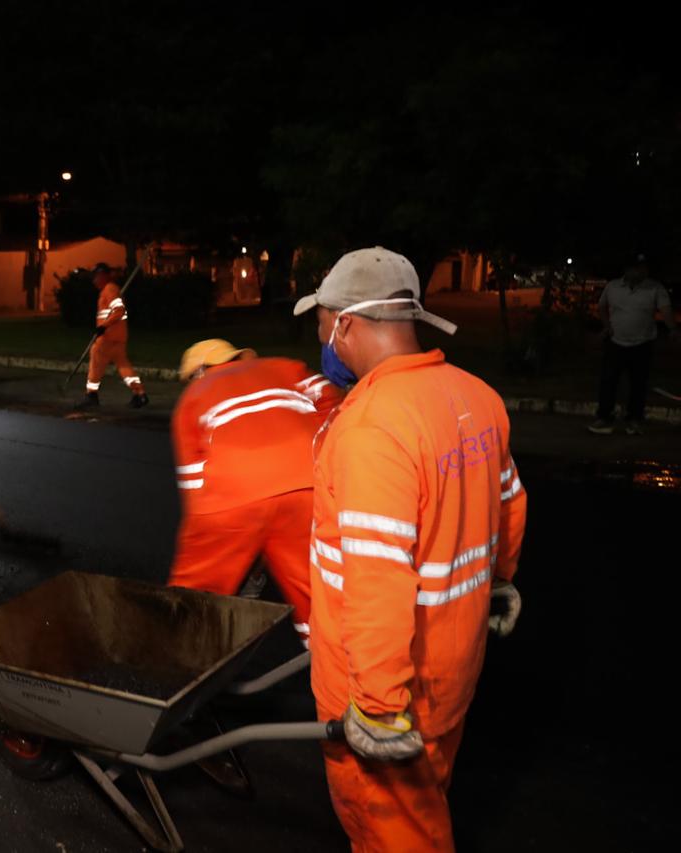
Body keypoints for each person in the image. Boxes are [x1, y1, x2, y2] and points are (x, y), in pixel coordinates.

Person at [293, 247, 526, 851]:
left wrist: (375, 709)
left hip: (387, 695)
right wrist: (498, 581)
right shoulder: (478, 397)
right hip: (454, 668)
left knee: (395, 834)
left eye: (319, 321)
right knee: (430, 797)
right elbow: (509, 503)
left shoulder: (372, 427)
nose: (319, 336)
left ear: (345, 322)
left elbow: (378, 579)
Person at [167, 339, 340, 648]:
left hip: (229, 497)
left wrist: (231, 540)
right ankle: (335, 669)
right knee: (318, 590)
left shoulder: (193, 397)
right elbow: (333, 404)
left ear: (201, 370)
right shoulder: (287, 367)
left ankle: (178, 655)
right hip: (307, 486)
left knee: (195, 594)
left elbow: (194, 484)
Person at [588, 254, 675, 435]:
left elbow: (665, 311)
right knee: (608, 381)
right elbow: (602, 306)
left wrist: (673, 329)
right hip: (616, 342)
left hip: (642, 343)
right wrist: (607, 326)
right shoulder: (613, 287)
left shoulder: (654, 288)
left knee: (638, 384)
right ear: (628, 270)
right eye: (638, 268)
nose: (642, 271)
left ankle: (634, 419)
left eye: (644, 268)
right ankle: (604, 417)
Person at [78, 263, 148, 409]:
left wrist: (103, 326)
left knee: (95, 364)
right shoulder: (112, 290)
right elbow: (118, 312)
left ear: (102, 276)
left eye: (95, 277)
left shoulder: (109, 289)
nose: (94, 281)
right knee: (123, 367)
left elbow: (119, 311)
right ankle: (140, 394)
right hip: (118, 337)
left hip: (107, 337)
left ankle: (91, 395)